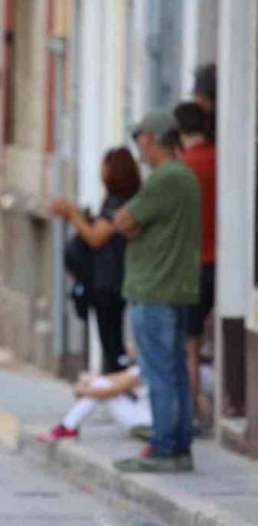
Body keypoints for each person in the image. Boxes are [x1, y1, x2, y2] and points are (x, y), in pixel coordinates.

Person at [113, 111, 201, 473]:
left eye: (140, 141)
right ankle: (178, 444)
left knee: (159, 372)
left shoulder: (165, 178)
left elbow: (123, 222)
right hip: (174, 286)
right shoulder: (184, 177)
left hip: (154, 287)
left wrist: (132, 226)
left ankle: (164, 446)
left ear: (151, 138)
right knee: (175, 369)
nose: (139, 150)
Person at [51, 147, 142, 373]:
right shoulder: (117, 201)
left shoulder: (117, 204)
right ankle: (115, 378)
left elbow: (96, 238)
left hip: (110, 280)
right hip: (111, 278)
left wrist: (73, 215)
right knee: (111, 337)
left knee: (112, 339)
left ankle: (118, 382)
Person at [174, 102, 216, 420]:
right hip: (224, 264)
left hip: (191, 264)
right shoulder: (220, 158)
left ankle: (191, 409)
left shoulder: (184, 167)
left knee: (190, 343)